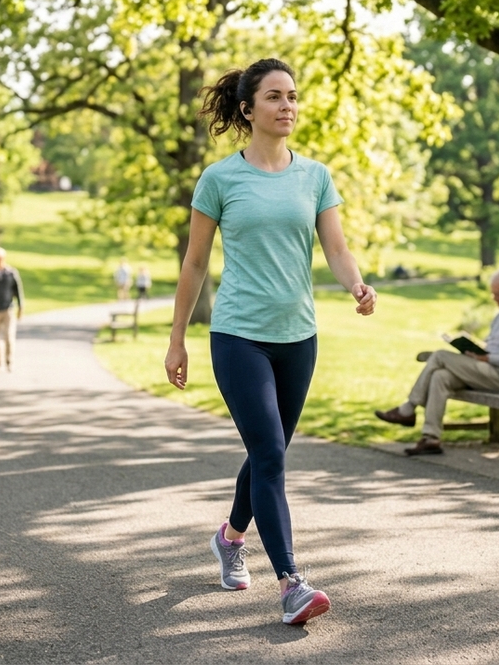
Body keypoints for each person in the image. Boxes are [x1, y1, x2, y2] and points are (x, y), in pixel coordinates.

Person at [165, 58, 377, 626]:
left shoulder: (315, 176)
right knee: (269, 454)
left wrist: (356, 285)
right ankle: (291, 583)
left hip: (298, 337)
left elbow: (335, 247)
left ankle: (230, 538)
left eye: (292, 96)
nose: (288, 106)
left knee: (270, 452)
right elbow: (195, 263)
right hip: (239, 335)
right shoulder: (219, 179)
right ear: (248, 108)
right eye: (275, 97)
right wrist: (178, 339)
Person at [375, 268, 499, 455]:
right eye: (493, 294)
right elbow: (491, 345)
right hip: (485, 370)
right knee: (440, 376)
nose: (495, 299)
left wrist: (488, 357)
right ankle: (431, 438)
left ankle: (408, 409)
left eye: (498, 294)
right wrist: (475, 348)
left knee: (440, 356)